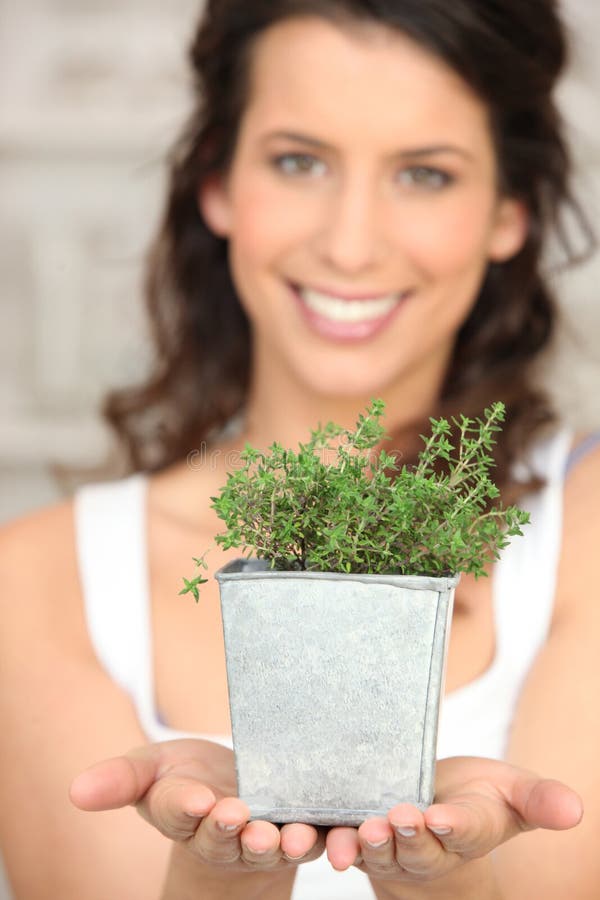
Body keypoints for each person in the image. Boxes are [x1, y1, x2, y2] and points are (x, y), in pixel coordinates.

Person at [1, 0, 599, 897]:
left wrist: (442, 881)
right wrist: (220, 877)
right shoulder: (35, 582)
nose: (350, 245)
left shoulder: (585, 531)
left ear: (508, 211)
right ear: (217, 182)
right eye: (298, 161)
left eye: (425, 174)